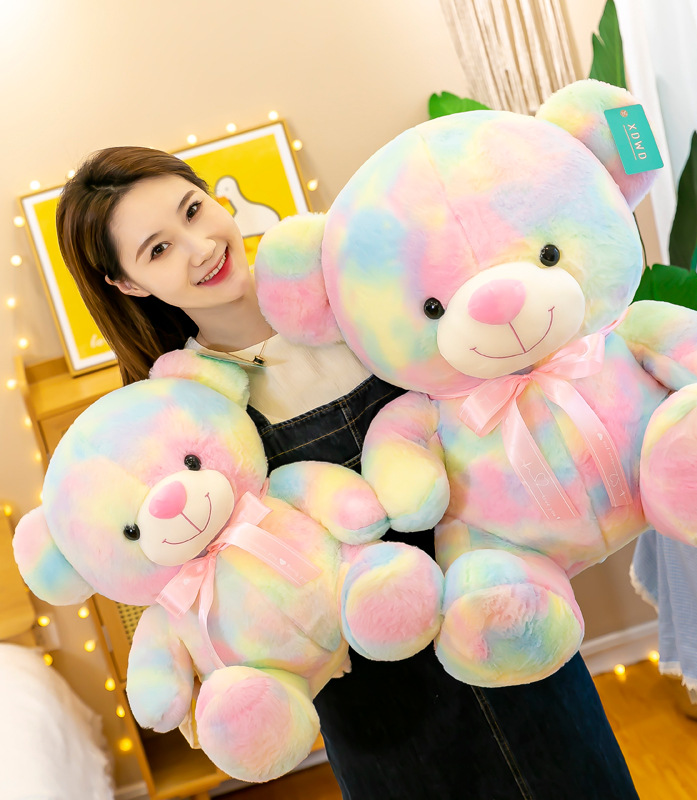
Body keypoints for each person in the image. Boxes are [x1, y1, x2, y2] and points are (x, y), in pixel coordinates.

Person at [56, 145, 640, 800]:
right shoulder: (185, 416)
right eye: (159, 250)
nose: (199, 248)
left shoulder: (365, 301)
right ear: (128, 284)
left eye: (193, 210)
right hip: (376, 698)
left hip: (502, 610)